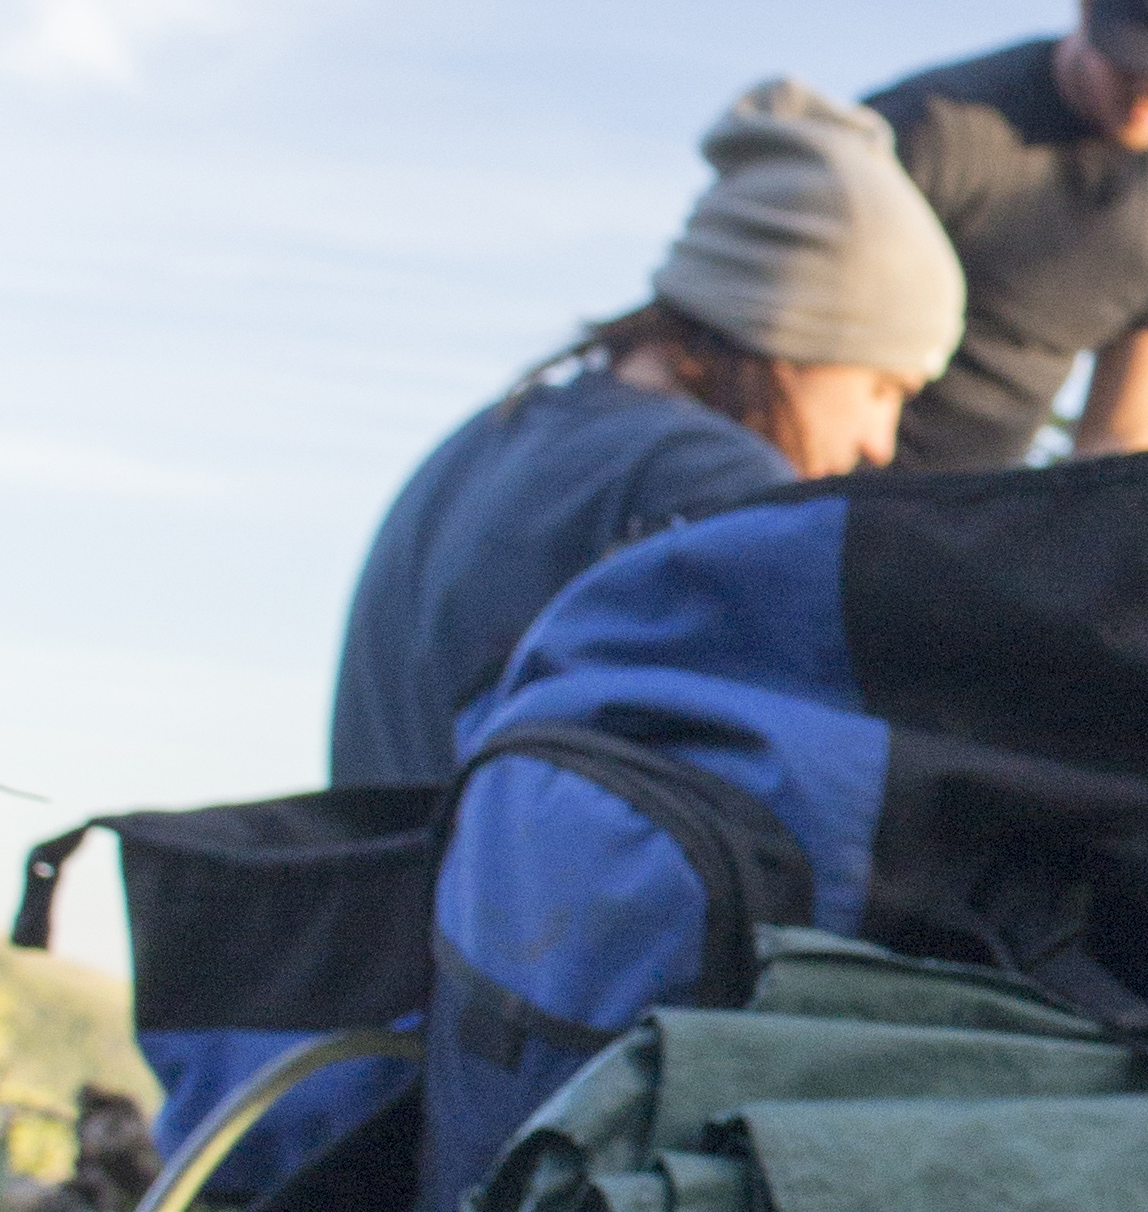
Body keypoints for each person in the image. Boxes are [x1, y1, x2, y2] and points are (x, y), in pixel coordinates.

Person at [328, 81, 965, 785]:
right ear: (792, 328)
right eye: (883, 388)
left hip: (392, 890)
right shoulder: (714, 477)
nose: (880, 442)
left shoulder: (483, 439)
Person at [868, 0, 1148, 472]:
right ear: (1088, 8)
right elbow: (797, 351)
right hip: (838, 485)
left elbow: (1121, 438)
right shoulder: (938, 131)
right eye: (1134, 62)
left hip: (985, 514)